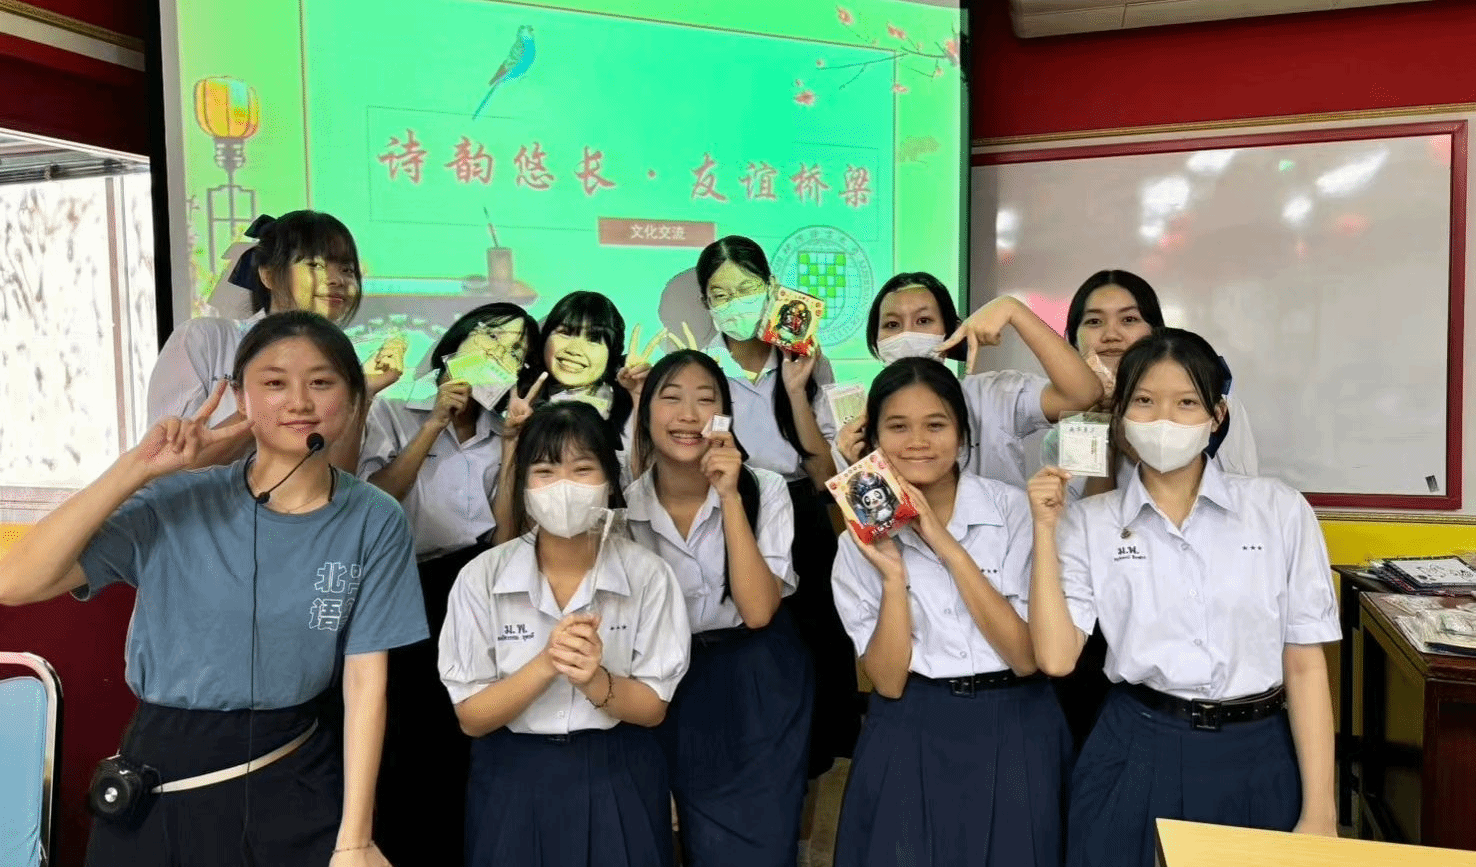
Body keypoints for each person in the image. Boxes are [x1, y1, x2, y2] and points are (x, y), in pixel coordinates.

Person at [0, 310, 428, 866]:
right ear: (242, 400)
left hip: (292, 771)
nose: (299, 401)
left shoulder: (374, 518)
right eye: (274, 383)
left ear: (352, 400)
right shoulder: (176, 501)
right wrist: (137, 469)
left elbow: (366, 682)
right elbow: (15, 581)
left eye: (321, 382)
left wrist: (355, 837)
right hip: (161, 773)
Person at [1026, 328, 1339, 867]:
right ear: (1120, 417)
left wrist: (1322, 810)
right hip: (1136, 747)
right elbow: (1056, 658)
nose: (1164, 419)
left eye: (1187, 402)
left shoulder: (1280, 510)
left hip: (1258, 751)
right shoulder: (1089, 523)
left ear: (1217, 416)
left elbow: (1306, 665)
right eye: (1144, 401)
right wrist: (1044, 528)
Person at [831, 357, 1068, 867]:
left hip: (1015, 721)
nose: (917, 442)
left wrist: (944, 544)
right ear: (874, 438)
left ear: (962, 435)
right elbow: (888, 681)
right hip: (912, 724)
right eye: (898, 427)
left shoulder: (1014, 511)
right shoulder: (857, 542)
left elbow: (1026, 657)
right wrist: (892, 577)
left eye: (935, 425)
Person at [439, 401, 691, 867]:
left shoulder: (649, 575)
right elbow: (472, 718)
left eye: (582, 469)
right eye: (545, 471)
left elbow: (653, 708)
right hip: (512, 776)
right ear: (523, 483)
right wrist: (547, 663)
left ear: (609, 479)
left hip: (618, 769)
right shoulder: (481, 577)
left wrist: (595, 680)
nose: (564, 486)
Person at [358, 301, 543, 866]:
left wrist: (512, 447)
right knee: (407, 736)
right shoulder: (393, 410)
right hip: (404, 586)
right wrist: (434, 421)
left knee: (467, 734)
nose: (501, 353)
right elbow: (376, 500)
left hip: (475, 585)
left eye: (516, 350)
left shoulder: (499, 429)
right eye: (492, 338)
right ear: (454, 344)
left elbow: (505, 535)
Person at [625, 349, 814, 867]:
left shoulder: (764, 489)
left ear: (725, 416)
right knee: (668, 836)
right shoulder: (625, 506)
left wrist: (729, 495)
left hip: (756, 675)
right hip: (664, 680)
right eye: (671, 398)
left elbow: (758, 611)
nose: (689, 415)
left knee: (757, 839)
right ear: (645, 413)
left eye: (706, 400)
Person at [694, 236, 857, 813]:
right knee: (747, 649)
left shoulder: (804, 356)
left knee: (813, 651)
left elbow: (825, 471)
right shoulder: (700, 367)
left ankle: (807, 795)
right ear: (705, 303)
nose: (734, 303)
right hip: (734, 511)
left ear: (770, 289)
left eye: (745, 289)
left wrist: (793, 387)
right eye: (720, 294)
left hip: (803, 514)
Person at [146, 210, 405, 471]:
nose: (337, 280)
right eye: (315, 265)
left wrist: (361, 394)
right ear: (268, 275)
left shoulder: (343, 366)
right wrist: (261, 408)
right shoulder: (205, 339)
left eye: (347, 270)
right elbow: (161, 465)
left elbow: (338, 482)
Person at [836, 271, 1102, 488]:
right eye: (892, 325)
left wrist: (1012, 309)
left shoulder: (993, 395)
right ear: (875, 341)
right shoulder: (855, 425)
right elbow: (869, 524)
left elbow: (1082, 395)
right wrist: (858, 469)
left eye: (924, 320)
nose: (907, 334)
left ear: (951, 332)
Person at [538, 291, 633, 436]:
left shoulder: (629, 415)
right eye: (565, 333)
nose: (575, 350)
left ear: (611, 354)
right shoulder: (516, 399)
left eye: (594, 339)